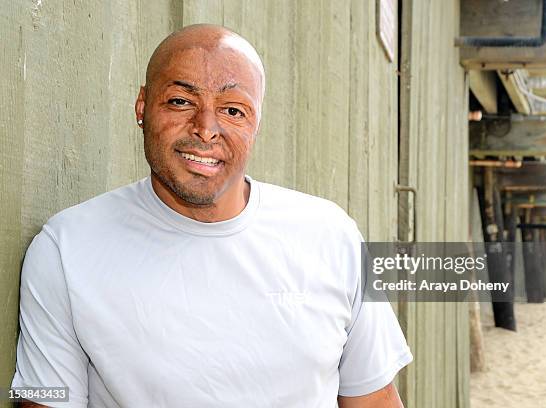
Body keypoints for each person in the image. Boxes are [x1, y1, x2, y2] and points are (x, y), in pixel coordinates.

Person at [11, 24, 412, 407]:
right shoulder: (66, 249)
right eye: (181, 101)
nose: (206, 128)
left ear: (256, 124)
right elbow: (45, 401)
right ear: (142, 107)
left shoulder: (333, 236)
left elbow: (374, 398)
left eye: (233, 110)